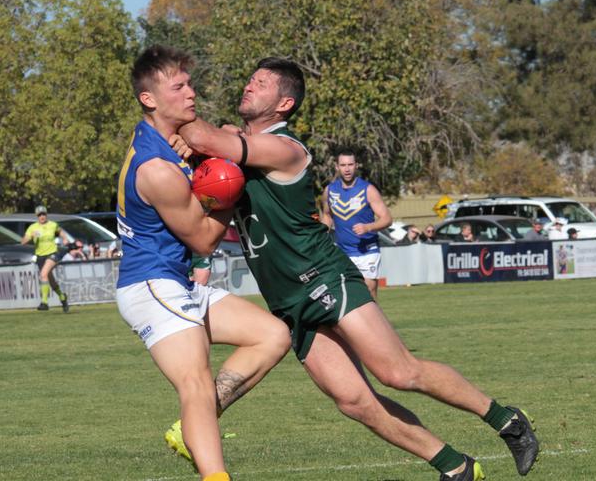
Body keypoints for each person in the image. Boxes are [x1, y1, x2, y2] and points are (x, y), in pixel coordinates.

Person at [169, 56, 539, 480]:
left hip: (324, 277)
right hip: (287, 301)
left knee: (398, 371)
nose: (249, 86)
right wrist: (202, 141)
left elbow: (203, 135)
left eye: (262, 83)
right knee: (354, 402)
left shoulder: (286, 149)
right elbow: (213, 143)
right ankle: (456, 467)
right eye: (250, 79)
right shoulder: (233, 146)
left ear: (285, 104)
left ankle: (506, 421)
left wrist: (176, 118)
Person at [115, 45, 290, 481]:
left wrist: (211, 153)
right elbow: (205, 239)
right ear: (149, 98)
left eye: (190, 83)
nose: (191, 92)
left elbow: (216, 135)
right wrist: (229, 183)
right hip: (152, 285)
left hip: (174, 282)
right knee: (194, 384)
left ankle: (193, 428)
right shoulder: (156, 168)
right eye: (178, 87)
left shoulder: (163, 139)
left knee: (272, 335)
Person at [320, 151, 393, 300]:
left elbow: (387, 219)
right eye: (343, 165)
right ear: (336, 167)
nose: (347, 169)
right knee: (345, 296)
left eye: (350, 164)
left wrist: (368, 227)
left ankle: (374, 323)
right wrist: (321, 233)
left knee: (368, 292)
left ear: (356, 166)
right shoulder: (329, 191)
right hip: (342, 252)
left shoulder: (368, 190)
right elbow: (327, 215)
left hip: (367, 251)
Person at [21, 205, 69, 312]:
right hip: (40, 256)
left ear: (46, 215)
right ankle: (62, 297)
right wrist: (31, 236)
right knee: (50, 279)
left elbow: (60, 231)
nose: (42, 216)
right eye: (39, 215)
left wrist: (65, 239)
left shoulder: (52, 225)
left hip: (52, 253)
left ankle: (44, 302)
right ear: (37, 216)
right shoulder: (33, 227)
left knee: (43, 274)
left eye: (43, 214)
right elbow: (23, 241)